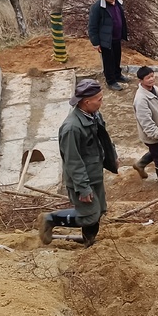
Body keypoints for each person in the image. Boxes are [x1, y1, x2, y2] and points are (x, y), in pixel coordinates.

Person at [38, 79, 118, 248]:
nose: (101, 102)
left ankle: (89, 243)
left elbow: (103, 139)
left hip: (94, 173)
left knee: (99, 211)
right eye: (99, 99)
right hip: (81, 179)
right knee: (89, 216)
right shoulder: (72, 128)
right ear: (86, 102)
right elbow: (73, 161)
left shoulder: (94, 115)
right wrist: (83, 187)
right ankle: (51, 219)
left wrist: (112, 156)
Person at [132, 66, 158, 189]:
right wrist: (157, 134)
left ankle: (140, 164)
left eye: (152, 76)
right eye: (148, 78)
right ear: (141, 80)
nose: (151, 79)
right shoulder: (141, 99)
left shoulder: (154, 89)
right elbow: (145, 121)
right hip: (153, 133)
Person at [88, 0, 129, 91]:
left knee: (117, 58)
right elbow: (92, 26)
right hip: (105, 39)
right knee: (108, 61)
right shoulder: (97, 7)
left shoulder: (118, 3)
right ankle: (110, 81)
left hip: (117, 37)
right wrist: (95, 43)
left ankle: (118, 75)